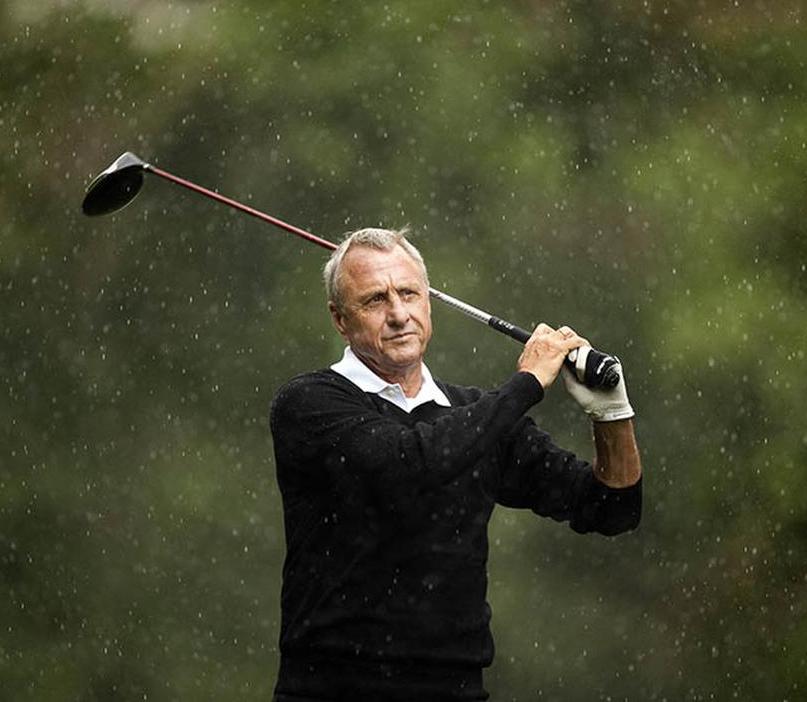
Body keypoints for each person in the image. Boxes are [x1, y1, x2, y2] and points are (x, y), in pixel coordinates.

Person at [269, 228, 642, 701]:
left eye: (408, 293)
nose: (399, 314)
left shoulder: (475, 416)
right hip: (332, 690)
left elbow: (612, 507)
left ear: (429, 301)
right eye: (375, 300)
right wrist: (526, 383)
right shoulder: (309, 403)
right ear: (340, 320)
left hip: (456, 689)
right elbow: (412, 463)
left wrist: (612, 414)